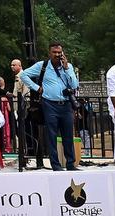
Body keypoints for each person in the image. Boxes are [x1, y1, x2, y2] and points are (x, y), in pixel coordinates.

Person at [21, 43, 80, 171]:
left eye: (60, 52)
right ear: (50, 53)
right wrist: (37, 88)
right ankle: (56, 165)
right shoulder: (42, 66)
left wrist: (67, 69)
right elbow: (23, 75)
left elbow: (74, 85)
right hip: (50, 104)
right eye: (55, 52)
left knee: (68, 136)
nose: (57, 55)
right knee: (51, 135)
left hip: (66, 105)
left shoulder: (68, 67)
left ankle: (70, 164)